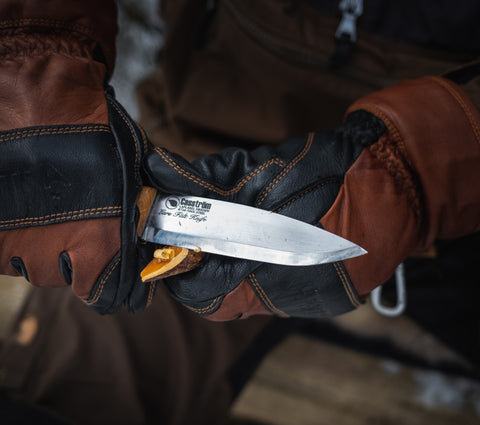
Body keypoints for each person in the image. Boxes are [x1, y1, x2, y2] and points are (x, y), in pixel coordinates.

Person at [0, 0, 479, 423]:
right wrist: (32, 72)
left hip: (458, 193)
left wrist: (412, 173)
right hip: (202, 160)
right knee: (74, 388)